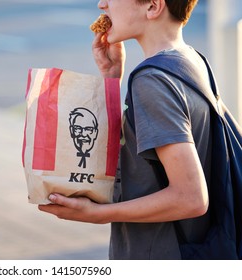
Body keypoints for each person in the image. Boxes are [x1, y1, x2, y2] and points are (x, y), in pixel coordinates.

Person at [39, 0, 212, 259]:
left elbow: (190, 197)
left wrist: (97, 214)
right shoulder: (192, 61)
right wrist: (112, 78)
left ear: (153, 7)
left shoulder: (152, 81)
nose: (102, 4)